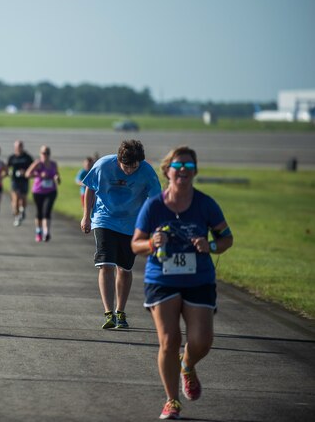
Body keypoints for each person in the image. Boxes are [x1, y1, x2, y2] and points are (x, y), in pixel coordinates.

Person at [131, 146, 233, 420]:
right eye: (178, 167)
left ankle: (187, 364)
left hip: (198, 278)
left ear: (195, 172)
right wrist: (151, 243)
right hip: (162, 278)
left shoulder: (206, 204)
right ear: (167, 171)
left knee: (201, 341)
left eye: (189, 167)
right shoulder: (154, 206)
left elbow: (226, 238)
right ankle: (172, 400)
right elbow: (135, 244)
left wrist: (209, 244)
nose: (183, 171)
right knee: (169, 340)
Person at [81, 139, 161, 329]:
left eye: (134, 167)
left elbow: (156, 199)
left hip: (131, 224)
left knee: (124, 268)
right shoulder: (103, 165)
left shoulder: (147, 171)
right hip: (104, 219)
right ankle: (109, 313)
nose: (130, 171)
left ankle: (121, 311)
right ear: (119, 159)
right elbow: (90, 188)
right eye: (126, 166)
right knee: (105, 264)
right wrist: (86, 216)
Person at [25, 145, 61, 242]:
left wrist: (57, 178)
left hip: (51, 191)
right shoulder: (38, 163)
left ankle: (47, 232)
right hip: (38, 191)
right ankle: (38, 231)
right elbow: (27, 174)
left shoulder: (53, 164)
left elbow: (57, 176)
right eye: (44, 153)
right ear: (40, 153)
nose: (45, 155)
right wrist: (39, 174)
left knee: (47, 211)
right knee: (39, 212)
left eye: (47, 153)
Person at [7, 140, 34, 226]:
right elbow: (6, 168)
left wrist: (25, 172)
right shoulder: (12, 157)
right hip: (15, 181)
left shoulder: (27, 157)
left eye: (20, 146)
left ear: (22, 147)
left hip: (24, 181)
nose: (18, 148)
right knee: (16, 199)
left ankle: (22, 210)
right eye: (17, 146)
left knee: (23, 199)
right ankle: (17, 216)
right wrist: (9, 172)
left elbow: (33, 168)